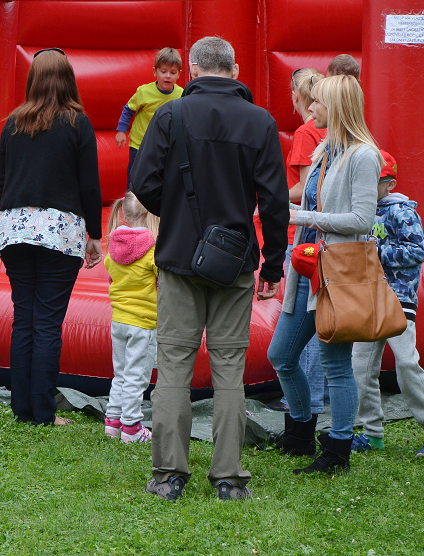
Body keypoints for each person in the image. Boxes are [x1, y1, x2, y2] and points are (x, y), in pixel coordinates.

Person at [130, 37, 289, 501]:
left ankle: (168, 475)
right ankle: (227, 478)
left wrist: (177, 214)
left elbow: (142, 182)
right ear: (235, 69)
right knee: (229, 369)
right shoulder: (260, 121)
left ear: (193, 70)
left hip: (179, 258)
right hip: (237, 261)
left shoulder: (170, 115)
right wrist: (273, 262)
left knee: (175, 366)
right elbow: (275, 202)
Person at [266, 74, 383, 475]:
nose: (309, 108)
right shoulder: (323, 151)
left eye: (316, 102)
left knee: (335, 365)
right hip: (306, 270)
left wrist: (305, 216)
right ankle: (300, 432)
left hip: (337, 276)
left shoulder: (364, 155)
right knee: (281, 355)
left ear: (335, 107)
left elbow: (363, 218)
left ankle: (337, 451)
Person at [0, 47, 103, 427]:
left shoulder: (13, 123)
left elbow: (2, 179)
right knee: (48, 322)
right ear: (67, 78)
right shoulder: (77, 123)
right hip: (59, 230)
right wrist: (95, 234)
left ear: (33, 80)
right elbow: (90, 184)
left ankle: (22, 407)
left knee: (23, 318)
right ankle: (43, 412)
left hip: (14, 226)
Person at [352, 150, 424, 458]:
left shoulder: (402, 212)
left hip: (398, 299)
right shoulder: (362, 214)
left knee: (406, 362)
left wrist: (374, 254)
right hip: (369, 299)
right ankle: (372, 433)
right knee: (361, 366)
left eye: (375, 182)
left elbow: (417, 251)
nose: (367, 188)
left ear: (390, 183)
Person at [275, 68, 327, 417]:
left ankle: (305, 399)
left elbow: (307, 192)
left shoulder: (306, 132)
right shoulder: (327, 131)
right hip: (320, 237)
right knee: (315, 320)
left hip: (304, 237)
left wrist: (269, 196)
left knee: (301, 323)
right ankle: (313, 396)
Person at [103, 191, 159, 444]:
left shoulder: (114, 245)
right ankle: (131, 428)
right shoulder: (153, 247)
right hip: (144, 323)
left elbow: (111, 275)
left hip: (119, 320)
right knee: (138, 376)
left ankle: (113, 422)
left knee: (121, 373)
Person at [115, 47, 183, 186]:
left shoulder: (181, 94)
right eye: (163, 71)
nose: (167, 76)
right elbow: (128, 109)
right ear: (155, 72)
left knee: (160, 179)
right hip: (139, 144)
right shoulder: (144, 92)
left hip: (164, 146)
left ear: (179, 75)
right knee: (134, 177)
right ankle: (132, 203)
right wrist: (121, 131)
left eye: (172, 72)